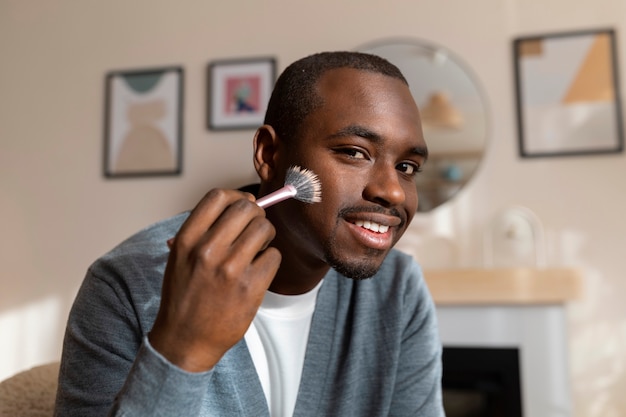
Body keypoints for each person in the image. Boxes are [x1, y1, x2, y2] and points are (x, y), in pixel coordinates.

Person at [54, 51, 444, 416]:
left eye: (408, 167)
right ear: (269, 155)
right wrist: (183, 350)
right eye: (355, 152)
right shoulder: (127, 283)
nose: (393, 191)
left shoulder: (398, 289)